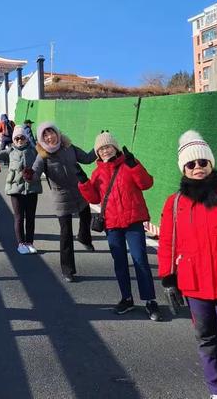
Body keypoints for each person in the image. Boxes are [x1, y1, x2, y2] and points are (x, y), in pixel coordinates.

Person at [158, 130, 217, 399]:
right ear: (183, 168)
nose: (197, 167)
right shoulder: (175, 203)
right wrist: (168, 278)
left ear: (211, 164)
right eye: (191, 164)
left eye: (202, 162)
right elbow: (167, 243)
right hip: (195, 287)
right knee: (207, 342)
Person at [77, 131, 161, 321]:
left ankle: (150, 301)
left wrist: (135, 166)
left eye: (107, 146)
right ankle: (127, 298)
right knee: (120, 262)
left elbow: (147, 183)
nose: (105, 151)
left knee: (140, 260)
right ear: (97, 153)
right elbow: (94, 198)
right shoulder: (97, 172)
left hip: (133, 222)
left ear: (115, 147)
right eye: (101, 149)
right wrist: (83, 182)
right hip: (112, 224)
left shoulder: (128, 165)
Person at [24, 122, 96, 282]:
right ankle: (67, 270)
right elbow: (35, 174)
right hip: (61, 197)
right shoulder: (42, 156)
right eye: (45, 135)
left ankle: (84, 238)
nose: (50, 137)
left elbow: (87, 158)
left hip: (79, 191)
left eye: (52, 133)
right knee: (66, 234)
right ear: (42, 139)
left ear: (57, 133)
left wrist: (99, 147)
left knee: (86, 216)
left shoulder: (69, 147)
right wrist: (29, 176)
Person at [0, 125, 42, 254]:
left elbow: (46, 160)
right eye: (16, 138)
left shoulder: (34, 151)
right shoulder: (10, 151)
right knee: (18, 218)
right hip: (15, 190)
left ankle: (30, 242)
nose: (19, 140)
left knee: (30, 217)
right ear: (13, 140)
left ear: (27, 139)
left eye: (22, 137)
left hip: (32, 189)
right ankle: (21, 243)